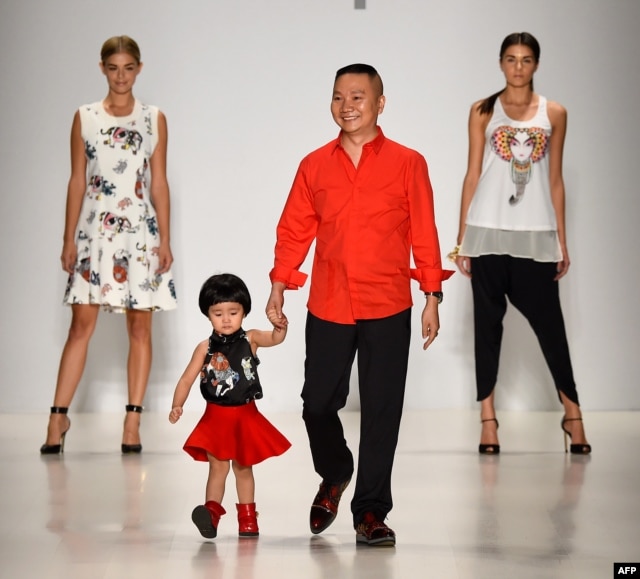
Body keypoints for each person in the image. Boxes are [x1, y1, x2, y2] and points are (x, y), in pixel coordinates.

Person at [266, 63, 452, 546]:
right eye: (337, 97)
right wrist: (279, 285)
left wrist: (431, 296)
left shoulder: (409, 162)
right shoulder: (314, 165)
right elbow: (294, 229)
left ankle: (370, 510)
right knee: (316, 403)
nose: (346, 106)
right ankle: (336, 470)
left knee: (382, 410)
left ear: (380, 103)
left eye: (357, 97)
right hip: (329, 300)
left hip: (388, 301)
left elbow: (424, 232)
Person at [451, 32, 591, 455]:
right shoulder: (482, 111)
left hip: (534, 234)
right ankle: (488, 420)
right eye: (511, 59)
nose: (518, 67)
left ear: (536, 65)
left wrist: (562, 241)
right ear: (500, 63)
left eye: (526, 60)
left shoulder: (555, 113)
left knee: (552, 328)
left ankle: (573, 415)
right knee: (487, 328)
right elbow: (473, 173)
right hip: (487, 232)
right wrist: (462, 239)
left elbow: (555, 179)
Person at [40, 35, 177, 455]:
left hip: (139, 234)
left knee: (141, 328)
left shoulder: (154, 118)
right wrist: (68, 239)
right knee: (80, 326)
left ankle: (132, 423)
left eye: (128, 68)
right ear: (102, 68)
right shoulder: (85, 117)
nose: (121, 76)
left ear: (139, 68)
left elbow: (158, 182)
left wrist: (166, 239)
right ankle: (57, 417)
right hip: (95, 234)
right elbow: (77, 180)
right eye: (113, 68)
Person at [169, 273, 291, 539]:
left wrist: (280, 326)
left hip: (245, 416)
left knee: (243, 467)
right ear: (208, 314)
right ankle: (210, 514)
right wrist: (177, 404)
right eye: (218, 313)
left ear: (244, 312)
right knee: (218, 467)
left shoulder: (252, 339)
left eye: (233, 312)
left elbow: (275, 338)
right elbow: (187, 378)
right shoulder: (205, 347)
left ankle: (248, 518)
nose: (226, 319)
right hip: (215, 418)